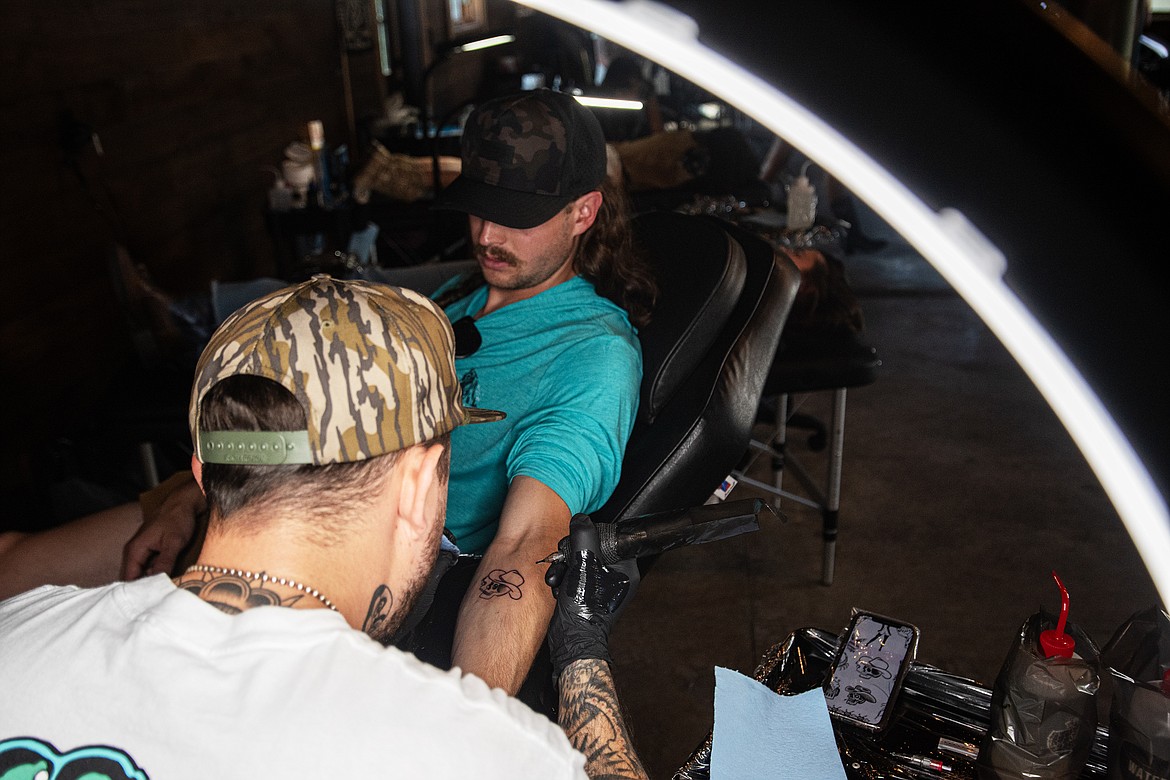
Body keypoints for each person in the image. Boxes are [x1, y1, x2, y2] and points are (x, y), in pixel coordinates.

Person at [0, 88, 658, 699]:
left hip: (333, 539)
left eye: (516, 217)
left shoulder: (593, 354)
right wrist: (186, 497)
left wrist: (465, 722)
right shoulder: (451, 298)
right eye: (480, 208)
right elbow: (305, 422)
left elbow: (526, 545)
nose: (487, 234)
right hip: (254, 489)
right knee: (13, 562)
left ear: (584, 211)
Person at [0, 275, 648, 779]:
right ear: (420, 486)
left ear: (202, 472)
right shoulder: (469, 750)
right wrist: (581, 659)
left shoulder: (16, 635)